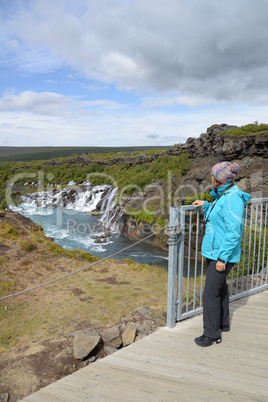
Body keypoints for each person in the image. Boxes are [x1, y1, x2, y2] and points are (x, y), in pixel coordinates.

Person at [192, 161, 252, 347]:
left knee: (210, 293)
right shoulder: (223, 195)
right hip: (215, 252)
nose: (210, 177)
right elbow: (219, 217)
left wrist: (222, 258)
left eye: (212, 175)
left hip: (221, 255)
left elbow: (233, 232)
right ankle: (223, 324)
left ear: (218, 178)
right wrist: (206, 205)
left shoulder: (231, 198)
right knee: (221, 289)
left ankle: (211, 335)